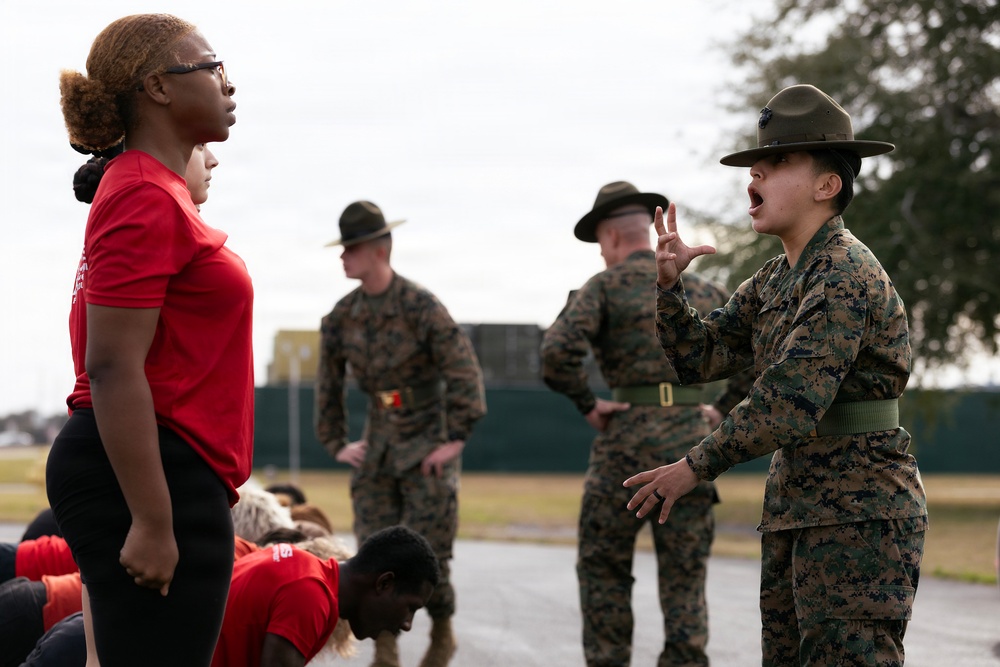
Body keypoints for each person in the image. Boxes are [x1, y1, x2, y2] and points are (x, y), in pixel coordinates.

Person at [624, 84, 927, 666]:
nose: (753, 178)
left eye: (777, 163)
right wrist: (668, 289)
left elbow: (789, 400)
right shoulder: (774, 279)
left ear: (827, 184)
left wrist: (694, 467)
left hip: (859, 517)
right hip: (797, 508)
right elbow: (700, 359)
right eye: (755, 166)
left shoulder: (843, 273)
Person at [45, 13, 251, 667]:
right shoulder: (142, 193)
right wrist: (153, 519)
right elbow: (110, 365)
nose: (229, 84)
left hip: (162, 468)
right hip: (150, 472)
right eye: (213, 67)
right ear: (159, 87)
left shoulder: (150, 189)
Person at [541, 181, 751, 666]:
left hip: (623, 449)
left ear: (611, 238)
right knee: (684, 575)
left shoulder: (604, 287)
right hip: (689, 450)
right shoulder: (702, 288)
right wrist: (720, 408)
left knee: (604, 570)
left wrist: (588, 404)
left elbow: (556, 353)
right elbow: (757, 355)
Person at [315, 200, 486, 667]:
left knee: (431, 553)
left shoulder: (420, 305)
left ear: (379, 249)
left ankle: (443, 631)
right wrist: (336, 443)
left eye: (351, 248)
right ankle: (385, 649)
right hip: (377, 447)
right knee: (374, 554)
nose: (343, 257)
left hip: (427, 442)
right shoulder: (341, 317)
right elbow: (326, 386)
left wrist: (455, 438)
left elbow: (463, 371)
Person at [211, 526, 439, 667]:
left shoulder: (303, 567)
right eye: (411, 607)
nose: (407, 624)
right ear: (384, 583)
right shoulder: (309, 593)